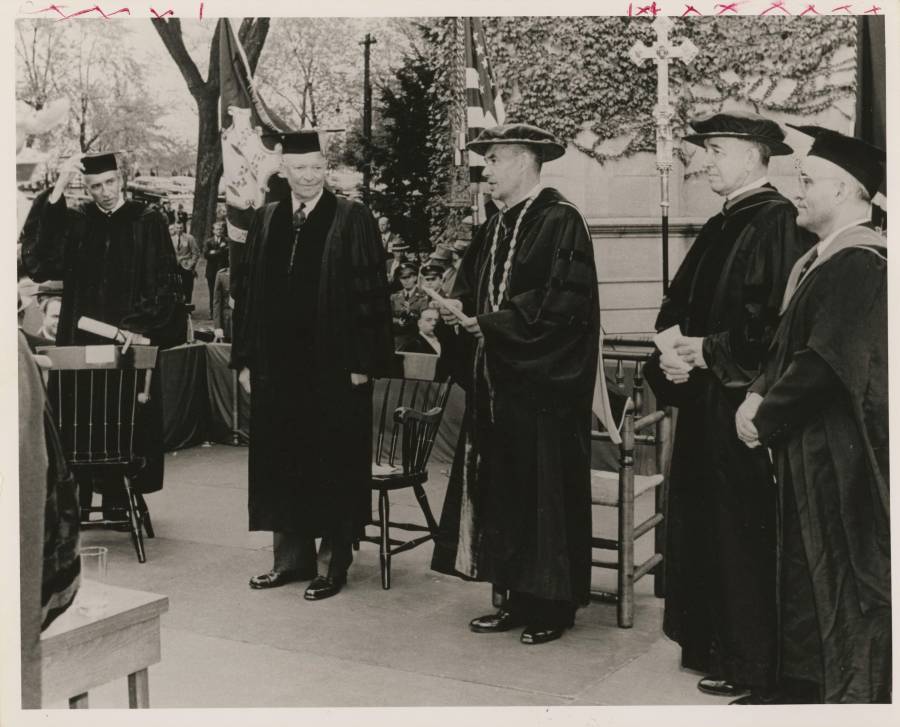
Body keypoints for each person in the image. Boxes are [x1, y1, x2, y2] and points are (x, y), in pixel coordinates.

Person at [642, 112, 812, 699]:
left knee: (742, 533)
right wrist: (672, 357)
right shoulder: (725, 222)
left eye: (715, 149)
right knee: (710, 526)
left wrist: (706, 351)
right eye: (704, 150)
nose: (703, 160)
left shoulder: (777, 221)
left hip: (743, 413)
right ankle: (713, 642)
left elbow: (776, 327)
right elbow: (679, 311)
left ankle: (752, 660)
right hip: (706, 405)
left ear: (755, 154)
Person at [735, 126, 889, 704]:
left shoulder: (862, 262)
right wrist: (757, 391)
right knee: (804, 563)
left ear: (848, 191)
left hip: (841, 451)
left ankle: (847, 695)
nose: (796, 192)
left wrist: (761, 413)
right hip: (809, 444)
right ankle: (801, 685)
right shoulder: (823, 260)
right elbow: (789, 349)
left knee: (844, 572)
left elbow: (826, 362)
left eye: (807, 181)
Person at [430, 123, 600, 645]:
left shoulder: (561, 221)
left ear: (526, 161)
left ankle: (553, 604)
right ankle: (510, 596)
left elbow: (561, 308)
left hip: (543, 390)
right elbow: (472, 291)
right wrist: (454, 315)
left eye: (496, 159)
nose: (487, 170)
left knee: (542, 495)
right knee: (503, 492)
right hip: (497, 387)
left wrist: (494, 324)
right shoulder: (495, 225)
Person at [231, 129, 393, 601]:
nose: (308, 176)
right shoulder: (267, 219)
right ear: (284, 170)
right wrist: (245, 360)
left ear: (326, 169)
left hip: (333, 368)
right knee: (283, 459)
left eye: (317, 168)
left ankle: (332, 563)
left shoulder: (351, 217)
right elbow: (249, 297)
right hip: (277, 368)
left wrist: (363, 362)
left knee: (332, 461)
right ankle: (289, 559)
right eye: (300, 168)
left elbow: (372, 293)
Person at [20, 149, 184, 520]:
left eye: (110, 182)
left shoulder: (148, 220)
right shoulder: (78, 221)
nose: (105, 191)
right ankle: (78, 497)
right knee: (80, 414)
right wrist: (59, 187)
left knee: (122, 414)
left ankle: (116, 494)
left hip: (126, 337)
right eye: (95, 186)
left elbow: (165, 281)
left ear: (121, 179)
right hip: (81, 337)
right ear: (88, 188)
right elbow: (41, 260)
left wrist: (138, 325)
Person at [398, 306, 451, 382]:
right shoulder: (412, 345)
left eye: (436, 320)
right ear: (419, 323)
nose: (434, 323)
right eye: (428, 320)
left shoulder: (443, 342)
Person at [390, 261, 429, 350]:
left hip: (417, 338)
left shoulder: (423, 296)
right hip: (398, 337)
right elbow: (388, 317)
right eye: (403, 278)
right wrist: (398, 321)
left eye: (409, 277)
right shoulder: (394, 297)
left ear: (415, 277)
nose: (406, 281)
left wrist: (410, 313)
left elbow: (425, 319)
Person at [171, 221, 201, 306]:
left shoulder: (189, 238)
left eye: (180, 228)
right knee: (176, 287)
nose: (179, 230)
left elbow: (196, 252)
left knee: (187, 287)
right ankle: (178, 307)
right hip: (175, 266)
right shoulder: (171, 239)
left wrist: (191, 263)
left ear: (183, 228)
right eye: (177, 228)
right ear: (174, 228)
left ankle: (188, 306)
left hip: (187, 266)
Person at [204, 221, 229, 318]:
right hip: (211, 271)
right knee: (212, 292)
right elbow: (206, 255)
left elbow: (227, 253)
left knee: (224, 292)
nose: (219, 231)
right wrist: (220, 251)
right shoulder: (209, 241)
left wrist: (214, 252)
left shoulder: (227, 241)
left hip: (223, 270)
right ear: (213, 231)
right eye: (217, 229)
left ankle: (222, 313)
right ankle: (212, 313)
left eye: (221, 229)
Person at [212, 266, 233, 342]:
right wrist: (218, 327)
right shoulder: (222, 275)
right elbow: (217, 302)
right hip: (227, 323)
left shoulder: (250, 273)